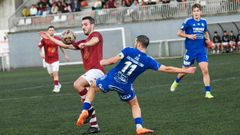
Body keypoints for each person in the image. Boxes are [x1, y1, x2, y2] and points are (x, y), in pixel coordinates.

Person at [76, 35, 196, 134]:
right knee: (134, 105)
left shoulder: (129, 50)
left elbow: (114, 60)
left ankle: (85, 110)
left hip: (111, 80)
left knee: (92, 87)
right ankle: (139, 127)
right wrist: (186, 70)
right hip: (125, 86)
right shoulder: (148, 60)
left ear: (138, 44)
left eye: (135, 42)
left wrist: (104, 62)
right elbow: (167, 69)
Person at [40, 16, 104, 134]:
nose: (83, 27)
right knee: (85, 101)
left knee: (77, 84)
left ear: (92, 25)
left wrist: (86, 44)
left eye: (85, 24)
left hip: (97, 70)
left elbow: (94, 41)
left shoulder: (96, 35)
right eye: (82, 25)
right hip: (90, 72)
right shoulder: (81, 42)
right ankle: (94, 126)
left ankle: (88, 112)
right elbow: (64, 45)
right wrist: (49, 37)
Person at [170, 3, 214, 99]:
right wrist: (188, 36)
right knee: (184, 71)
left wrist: (208, 40)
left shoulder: (204, 22)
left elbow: (205, 32)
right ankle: (176, 81)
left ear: (200, 12)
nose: (196, 13)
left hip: (201, 50)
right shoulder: (188, 21)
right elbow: (179, 33)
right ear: (192, 12)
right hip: (190, 51)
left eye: (198, 11)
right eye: (194, 11)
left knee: (205, 70)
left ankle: (207, 92)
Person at [38, 25, 69, 93]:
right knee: (51, 75)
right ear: (48, 31)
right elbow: (39, 47)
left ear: (54, 31)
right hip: (47, 60)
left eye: (52, 30)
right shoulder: (44, 39)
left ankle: (56, 87)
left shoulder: (57, 38)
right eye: (50, 30)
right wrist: (41, 53)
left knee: (55, 73)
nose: (51, 31)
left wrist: (65, 55)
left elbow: (61, 46)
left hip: (55, 60)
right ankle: (58, 84)